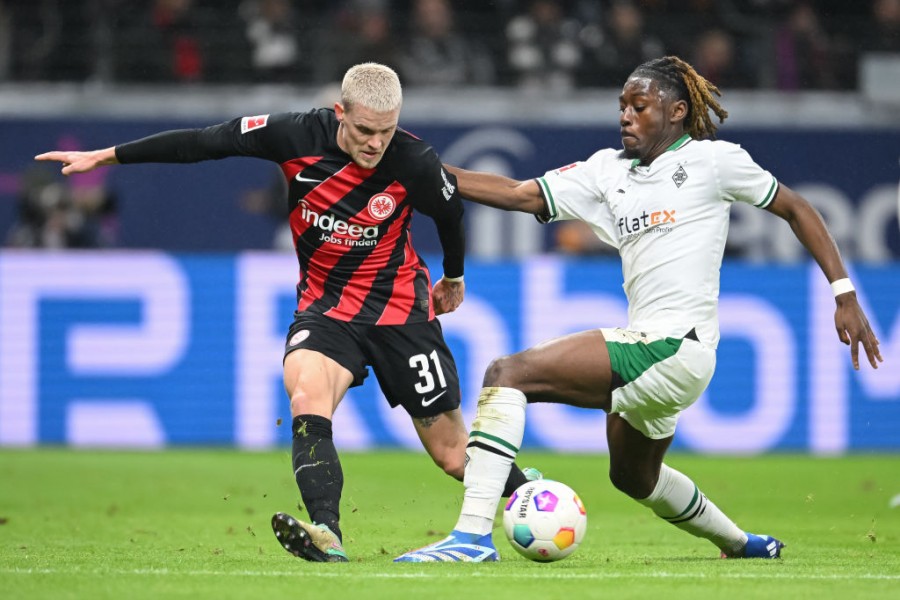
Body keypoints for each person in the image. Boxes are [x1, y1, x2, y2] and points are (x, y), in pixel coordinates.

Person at [35, 62, 534, 563]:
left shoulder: (415, 161)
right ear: (340, 113)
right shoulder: (293, 135)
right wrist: (107, 157)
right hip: (326, 310)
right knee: (306, 394)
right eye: (363, 130)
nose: (374, 143)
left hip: (400, 311)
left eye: (385, 131)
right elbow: (206, 143)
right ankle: (327, 533)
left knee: (451, 455)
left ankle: (535, 497)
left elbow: (450, 213)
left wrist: (454, 276)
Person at [395, 55, 882, 563]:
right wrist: (424, 169)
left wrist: (844, 292)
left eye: (639, 106)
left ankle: (471, 537)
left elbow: (796, 207)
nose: (625, 115)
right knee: (632, 476)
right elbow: (519, 193)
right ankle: (742, 545)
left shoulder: (714, 162)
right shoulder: (607, 171)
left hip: (676, 346)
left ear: (675, 111)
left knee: (507, 373)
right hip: (655, 348)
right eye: (622, 106)